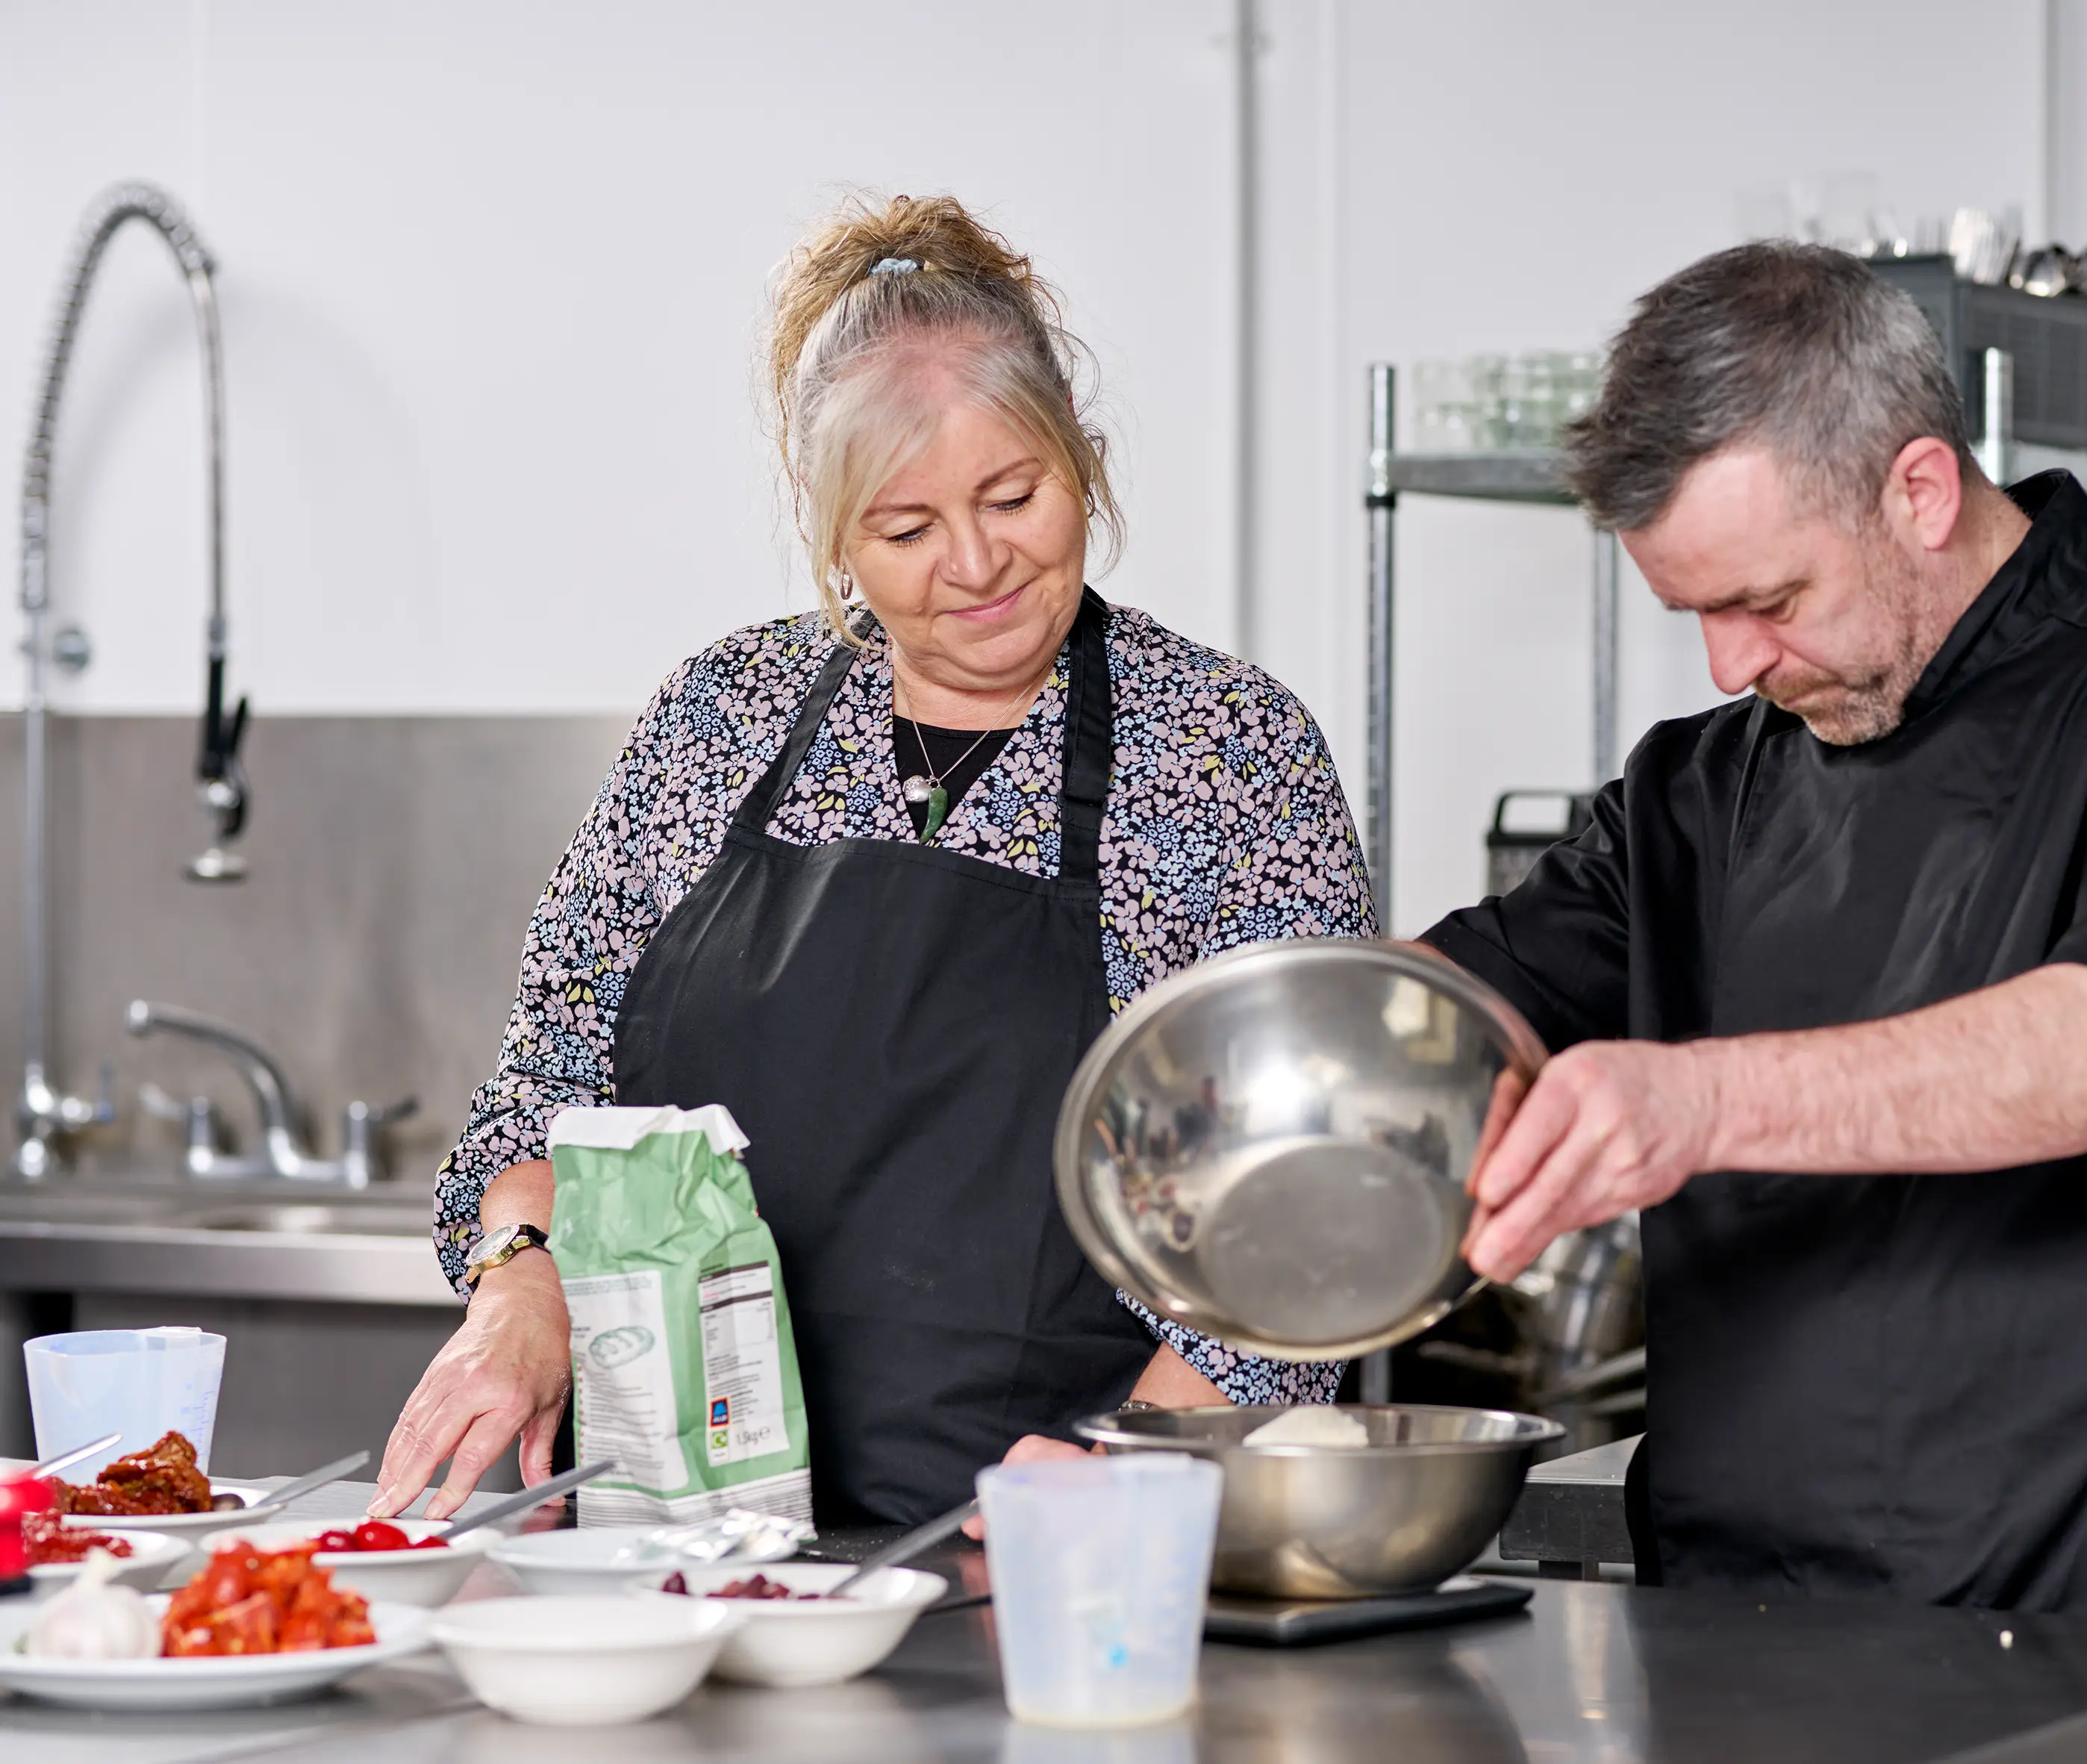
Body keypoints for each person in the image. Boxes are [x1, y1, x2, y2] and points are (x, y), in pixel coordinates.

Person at [1429, 242, 2087, 1626]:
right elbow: (1457, 1004)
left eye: (1767, 600)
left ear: (1920, 489)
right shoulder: (1696, 790)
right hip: (1730, 1643)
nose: (1730, 665)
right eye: (1694, 613)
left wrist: (1694, 1101)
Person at [375, 194, 1373, 1527]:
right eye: (906, 529)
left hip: (1063, 1560)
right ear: (831, 527)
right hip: (690, 1563)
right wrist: (521, 1280)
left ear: (1080, 455)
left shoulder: (1228, 751)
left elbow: (1317, 1220)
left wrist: (1121, 1487)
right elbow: (544, 1093)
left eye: (1014, 495)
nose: (976, 562)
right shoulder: (716, 719)